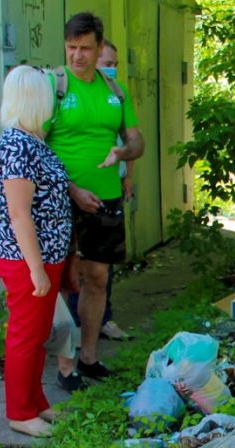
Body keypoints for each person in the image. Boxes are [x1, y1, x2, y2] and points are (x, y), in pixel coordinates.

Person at [47, 12, 144, 381]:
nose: (77, 56)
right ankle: (63, 363)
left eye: (86, 48)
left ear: (99, 47)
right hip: (60, 199)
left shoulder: (114, 91)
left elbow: (136, 140)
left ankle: (88, 356)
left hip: (104, 200)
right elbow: (35, 145)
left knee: (97, 278)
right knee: (60, 279)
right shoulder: (54, 86)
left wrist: (122, 153)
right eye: (71, 48)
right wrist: (70, 188)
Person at [0, 66, 72, 437]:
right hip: (27, 259)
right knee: (25, 334)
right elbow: (19, 214)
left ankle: (35, 401)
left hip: (46, 256)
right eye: (49, 95)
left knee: (39, 332)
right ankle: (19, 412)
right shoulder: (16, 146)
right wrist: (36, 268)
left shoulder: (31, 141)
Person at [65, 38, 132, 343]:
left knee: (102, 271)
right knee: (73, 268)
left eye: (115, 64)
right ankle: (72, 330)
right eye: (108, 63)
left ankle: (102, 322)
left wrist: (127, 173)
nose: (112, 69)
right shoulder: (62, 89)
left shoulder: (116, 94)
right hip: (71, 198)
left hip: (108, 195)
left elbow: (129, 140)